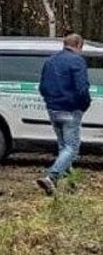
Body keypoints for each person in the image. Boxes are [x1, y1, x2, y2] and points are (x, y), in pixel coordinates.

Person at [36, 33, 92, 196]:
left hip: (53, 109)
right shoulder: (77, 61)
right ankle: (51, 177)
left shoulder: (50, 60)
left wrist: (50, 102)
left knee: (64, 147)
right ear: (79, 45)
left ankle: (71, 184)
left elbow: (42, 87)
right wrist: (84, 105)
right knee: (72, 148)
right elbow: (82, 88)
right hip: (71, 109)